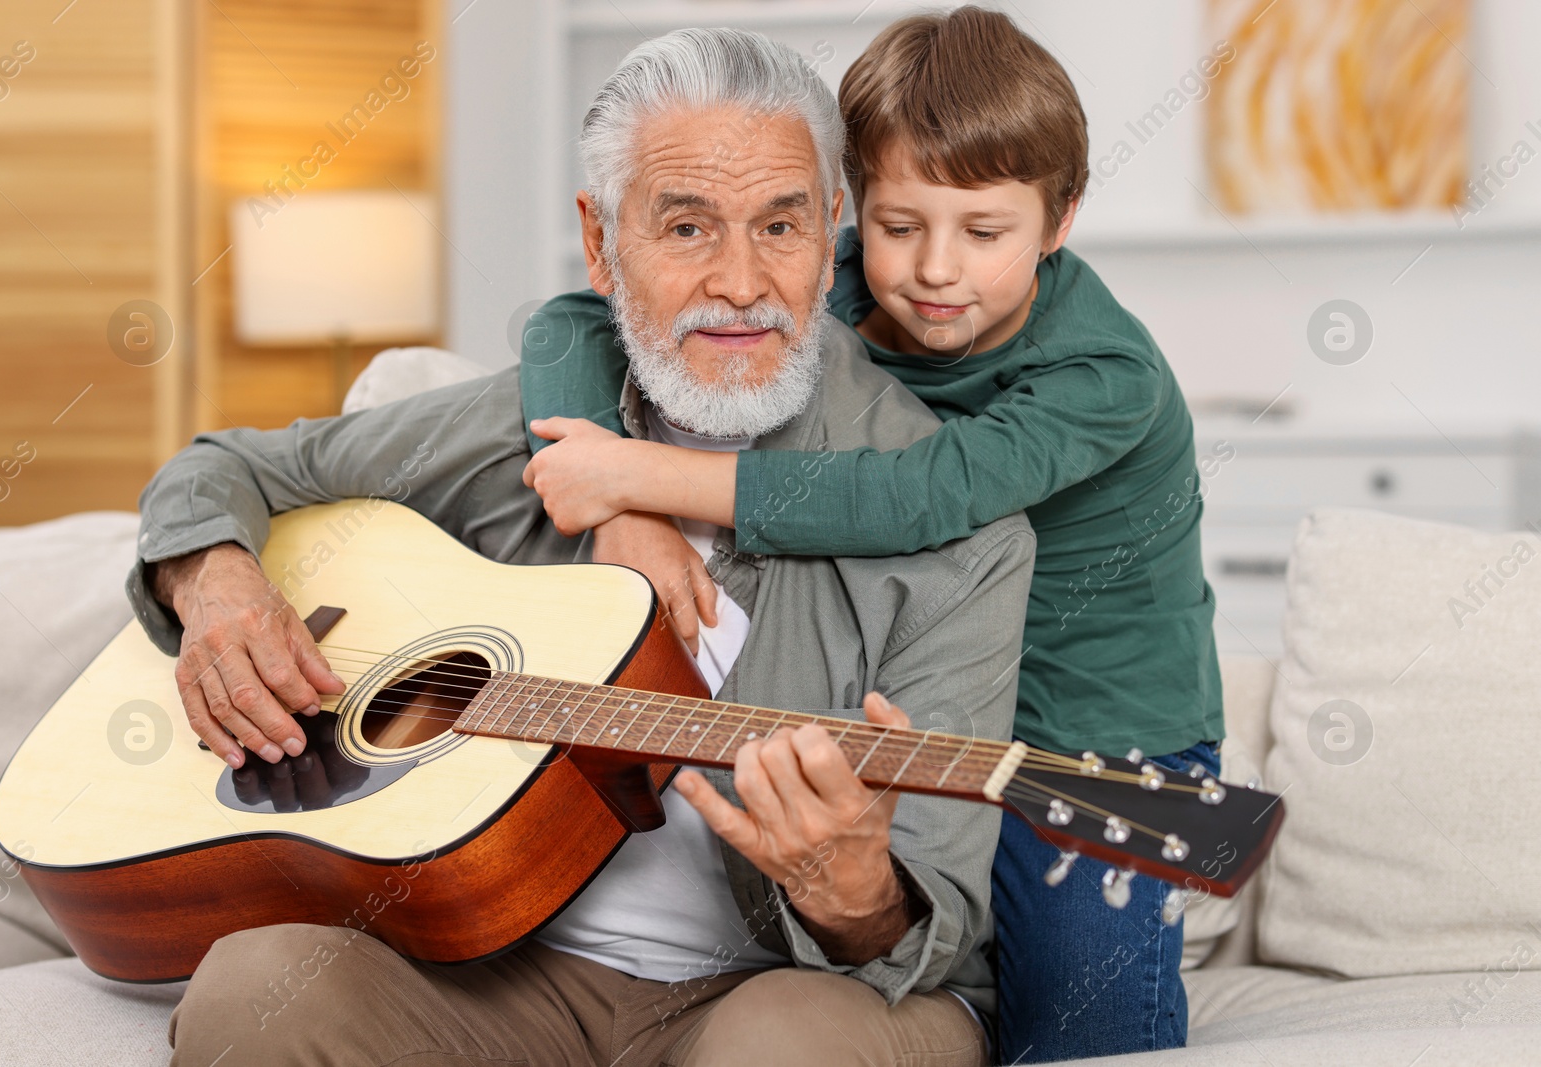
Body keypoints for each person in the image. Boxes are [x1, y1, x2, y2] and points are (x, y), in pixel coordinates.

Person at [129, 26, 1034, 1067]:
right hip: (498, 962)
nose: (741, 282)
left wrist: (856, 891)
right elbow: (219, 470)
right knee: (255, 993)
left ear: (829, 227)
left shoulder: (955, 527)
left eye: (779, 225)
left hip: (787, 987)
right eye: (687, 227)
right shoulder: (528, 419)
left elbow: (929, 920)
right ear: (601, 243)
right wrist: (216, 584)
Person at [518, 8, 1224, 1062]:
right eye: (899, 227)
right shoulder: (827, 278)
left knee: (1078, 1020)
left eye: (984, 233)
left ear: (1060, 218)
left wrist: (636, 471)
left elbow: (915, 498)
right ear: (854, 207)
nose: (936, 270)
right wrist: (623, 513)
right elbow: (568, 323)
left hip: (1093, 734)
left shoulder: (1104, 376)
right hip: (925, 685)